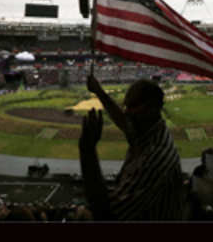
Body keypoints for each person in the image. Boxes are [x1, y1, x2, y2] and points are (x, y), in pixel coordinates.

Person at [78, 75, 184, 220]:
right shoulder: (149, 130)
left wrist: (87, 150)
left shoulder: (155, 158)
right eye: (126, 106)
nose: (126, 112)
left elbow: (106, 214)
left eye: (133, 106)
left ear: (152, 108)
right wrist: (99, 91)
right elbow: (123, 120)